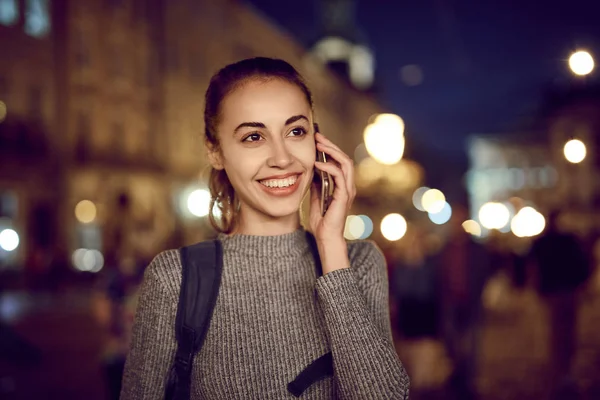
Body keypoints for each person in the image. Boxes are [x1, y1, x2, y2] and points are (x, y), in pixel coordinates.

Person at [120, 57, 410, 399]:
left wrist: (331, 246)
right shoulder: (175, 278)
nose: (282, 158)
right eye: (254, 136)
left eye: (296, 131)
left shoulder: (360, 262)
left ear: (318, 141)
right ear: (215, 151)